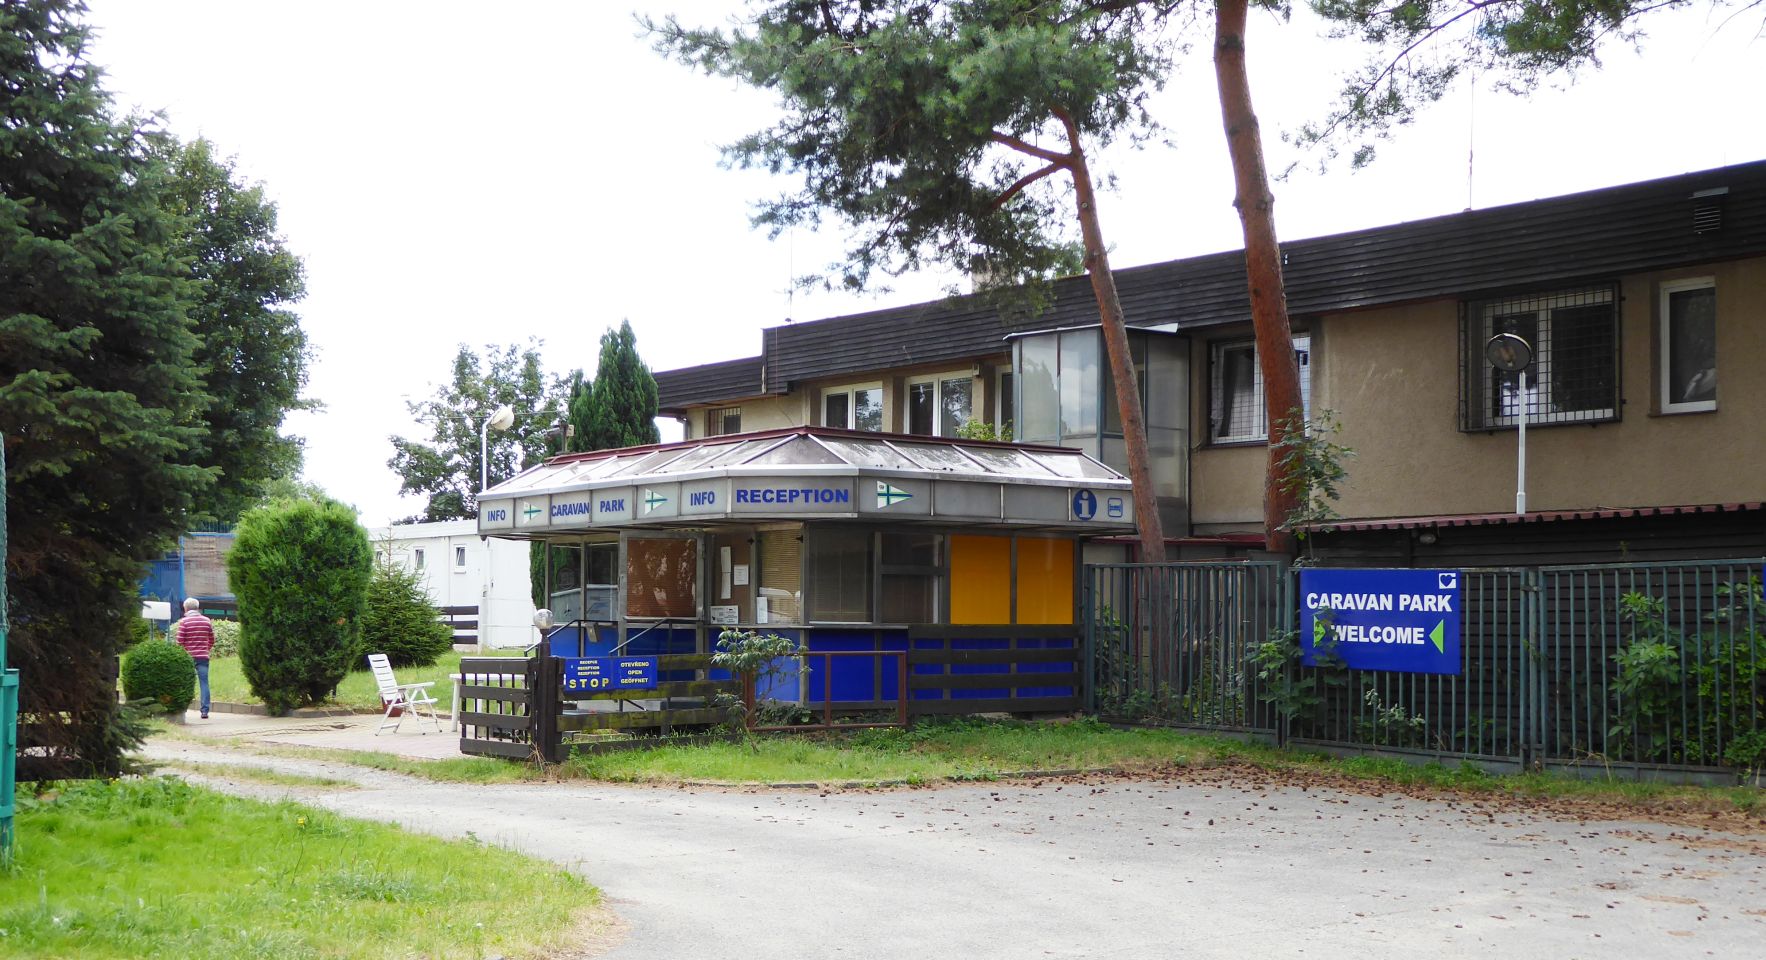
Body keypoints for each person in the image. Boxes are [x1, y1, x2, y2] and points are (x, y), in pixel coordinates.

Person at [173, 597, 215, 719]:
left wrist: (182, 653)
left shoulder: (184, 622)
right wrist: (206, 649)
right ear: (197, 607)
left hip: (188, 657)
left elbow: (179, 642)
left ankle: (183, 708)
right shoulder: (206, 621)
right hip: (203, 657)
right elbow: (212, 639)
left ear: (185, 608)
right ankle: (205, 711)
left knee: (186, 682)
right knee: (204, 683)